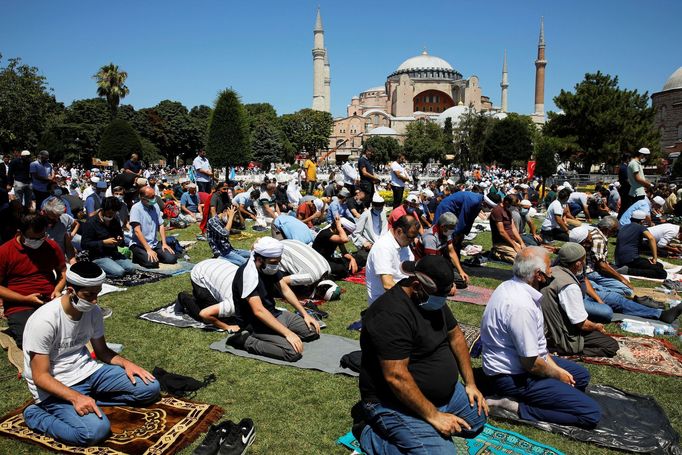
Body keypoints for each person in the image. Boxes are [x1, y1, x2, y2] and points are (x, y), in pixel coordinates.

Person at [358, 255, 487, 454]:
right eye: (442, 294)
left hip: (443, 396)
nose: (447, 297)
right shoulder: (390, 315)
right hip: (393, 403)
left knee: (477, 420)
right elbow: (396, 376)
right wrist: (434, 416)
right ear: (417, 285)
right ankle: (370, 434)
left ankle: (424, 428)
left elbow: (456, 337)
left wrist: (470, 383)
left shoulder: (429, 299)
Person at [21, 261, 160, 446]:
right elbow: (40, 377)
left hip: (88, 372)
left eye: (97, 293)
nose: (95, 300)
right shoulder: (44, 321)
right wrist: (75, 397)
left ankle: (90, 401)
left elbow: (102, 351)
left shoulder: (92, 311)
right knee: (94, 432)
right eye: (89, 295)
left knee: (150, 388)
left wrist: (127, 364)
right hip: (55, 385)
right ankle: (36, 415)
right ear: (70, 291)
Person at [481, 247, 602, 428]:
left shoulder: (511, 286)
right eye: (548, 269)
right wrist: (557, 374)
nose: (551, 272)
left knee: (581, 376)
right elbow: (531, 363)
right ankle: (515, 406)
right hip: (512, 376)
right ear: (538, 274)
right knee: (590, 414)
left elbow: (538, 348)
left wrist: (556, 369)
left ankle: (544, 395)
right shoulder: (521, 306)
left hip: (520, 364)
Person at [228, 237, 320, 362]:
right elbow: (258, 311)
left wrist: (305, 314)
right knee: (292, 353)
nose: (276, 265)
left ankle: (279, 333)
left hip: (274, 313)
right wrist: (288, 333)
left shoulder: (270, 268)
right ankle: (245, 340)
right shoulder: (247, 274)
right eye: (273, 262)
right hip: (255, 323)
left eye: (278, 261)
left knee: (312, 331)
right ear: (260, 259)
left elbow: (285, 290)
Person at [540, 243, 619, 357]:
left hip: (546, 329)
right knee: (611, 345)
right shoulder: (570, 286)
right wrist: (596, 326)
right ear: (578, 264)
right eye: (583, 260)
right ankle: (567, 351)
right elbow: (582, 324)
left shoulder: (552, 270)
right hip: (560, 335)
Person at [0, 214, 67, 349]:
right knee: (31, 340)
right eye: (33, 238)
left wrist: (57, 289)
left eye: (41, 237)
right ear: (20, 233)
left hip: (49, 299)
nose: (38, 241)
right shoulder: (5, 251)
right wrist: (25, 299)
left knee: (67, 332)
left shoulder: (50, 246)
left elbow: (62, 272)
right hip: (19, 303)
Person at [365, 215, 419, 305]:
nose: (412, 241)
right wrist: (409, 298)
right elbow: (387, 284)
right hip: (384, 301)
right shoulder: (383, 247)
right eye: (410, 237)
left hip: (400, 294)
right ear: (399, 231)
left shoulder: (402, 242)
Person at [178, 258, 241, 332]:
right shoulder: (233, 304)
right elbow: (204, 314)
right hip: (199, 273)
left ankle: (199, 296)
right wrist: (227, 327)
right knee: (214, 318)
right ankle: (183, 298)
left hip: (217, 265)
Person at [81, 197, 136, 278]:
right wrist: (103, 242)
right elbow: (84, 244)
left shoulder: (115, 220)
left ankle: (112, 266)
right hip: (98, 256)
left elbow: (121, 240)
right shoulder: (91, 222)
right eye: (110, 213)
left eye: (114, 212)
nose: (112, 215)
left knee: (131, 268)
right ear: (103, 209)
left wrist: (120, 241)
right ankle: (98, 270)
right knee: (119, 272)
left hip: (113, 253)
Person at [433, 187, 486, 268]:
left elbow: (471, 218)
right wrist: (458, 232)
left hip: (455, 211)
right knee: (444, 234)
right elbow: (464, 216)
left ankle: (454, 261)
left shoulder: (478, 202)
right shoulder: (474, 200)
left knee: (456, 239)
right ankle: (441, 258)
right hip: (447, 209)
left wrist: (464, 232)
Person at [129, 186, 177, 268]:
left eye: (154, 196)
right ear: (142, 198)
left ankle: (154, 255)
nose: (154, 199)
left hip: (154, 243)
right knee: (152, 263)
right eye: (151, 197)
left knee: (171, 259)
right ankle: (139, 256)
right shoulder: (136, 208)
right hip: (139, 244)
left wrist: (164, 243)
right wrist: (148, 249)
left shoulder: (155, 206)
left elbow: (161, 225)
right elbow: (137, 231)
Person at [416, 212, 469, 286]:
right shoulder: (430, 238)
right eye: (451, 227)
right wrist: (448, 284)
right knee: (449, 283)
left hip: (437, 263)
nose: (453, 230)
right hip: (425, 268)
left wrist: (461, 271)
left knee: (461, 280)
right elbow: (431, 263)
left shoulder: (446, 233)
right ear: (443, 226)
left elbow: (451, 252)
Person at [615, 210, 666, 279]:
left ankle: (627, 268)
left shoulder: (623, 227)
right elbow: (651, 238)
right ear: (642, 221)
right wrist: (655, 258)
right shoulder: (640, 227)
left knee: (659, 265)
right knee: (661, 273)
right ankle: (629, 271)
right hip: (631, 259)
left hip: (619, 260)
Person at [489, 195, 525, 263]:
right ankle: (497, 253)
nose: (513, 207)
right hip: (501, 243)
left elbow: (513, 228)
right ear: (506, 202)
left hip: (511, 241)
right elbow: (502, 231)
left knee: (526, 255)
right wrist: (515, 246)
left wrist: (521, 242)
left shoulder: (508, 211)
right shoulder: (497, 211)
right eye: (513, 205)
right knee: (519, 260)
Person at [42, 198, 77, 265]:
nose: (56, 219)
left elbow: (68, 245)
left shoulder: (64, 219)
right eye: (53, 216)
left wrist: (72, 260)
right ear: (45, 212)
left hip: (61, 261)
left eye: (58, 216)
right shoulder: (38, 224)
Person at [622, 147, 652, 219]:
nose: (646, 159)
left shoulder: (635, 163)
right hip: (637, 192)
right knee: (638, 212)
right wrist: (648, 185)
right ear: (642, 155)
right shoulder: (634, 163)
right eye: (646, 157)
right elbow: (637, 178)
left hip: (637, 191)